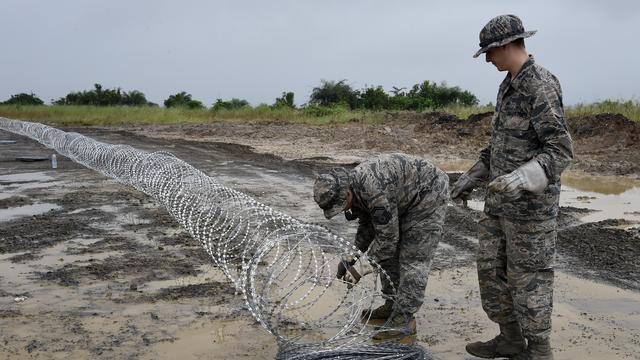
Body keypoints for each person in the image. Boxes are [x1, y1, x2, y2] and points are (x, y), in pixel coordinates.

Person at [451, 14, 573, 360]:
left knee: (529, 279)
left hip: (531, 212)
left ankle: (539, 350)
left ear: (507, 45)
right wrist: (475, 174)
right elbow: (500, 146)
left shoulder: (541, 85)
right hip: (499, 205)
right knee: (491, 271)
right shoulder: (508, 84)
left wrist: (522, 178)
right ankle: (509, 339)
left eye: (490, 52)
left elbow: (561, 150)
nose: (488, 59)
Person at [313, 153, 449, 341]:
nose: (343, 210)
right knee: (386, 256)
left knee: (413, 258)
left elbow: (387, 240)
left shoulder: (373, 190)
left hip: (427, 194)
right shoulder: (356, 189)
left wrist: (359, 269)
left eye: (341, 206)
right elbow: (368, 226)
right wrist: (350, 257)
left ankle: (404, 319)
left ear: (346, 193)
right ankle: (392, 304)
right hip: (401, 196)